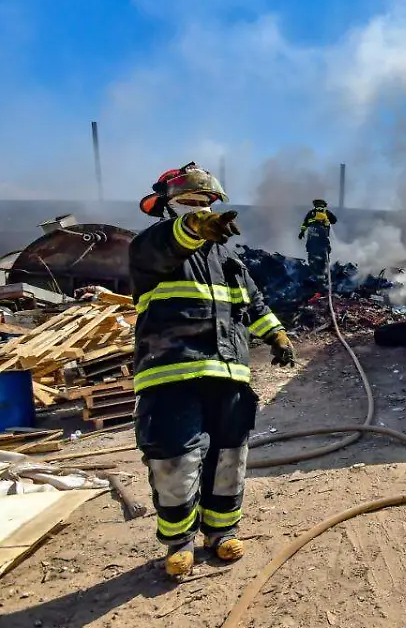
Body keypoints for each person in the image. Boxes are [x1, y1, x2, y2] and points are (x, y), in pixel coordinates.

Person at [132, 161, 297, 579]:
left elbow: (253, 305)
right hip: (172, 373)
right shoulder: (150, 247)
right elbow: (169, 243)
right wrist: (192, 228)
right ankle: (180, 542)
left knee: (229, 458)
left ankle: (221, 532)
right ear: (168, 206)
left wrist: (276, 334)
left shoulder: (231, 259)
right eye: (188, 202)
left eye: (204, 203)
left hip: (230, 373)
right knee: (176, 459)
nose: (198, 209)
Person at [299, 198, 338, 276]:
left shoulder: (311, 213)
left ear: (315, 205)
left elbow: (305, 223)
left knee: (312, 257)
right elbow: (334, 220)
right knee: (325, 257)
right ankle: (324, 273)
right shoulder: (327, 212)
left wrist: (302, 232)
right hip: (323, 242)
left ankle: (313, 273)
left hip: (312, 241)